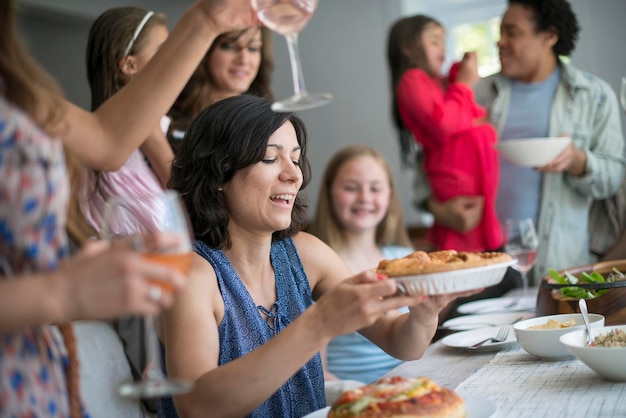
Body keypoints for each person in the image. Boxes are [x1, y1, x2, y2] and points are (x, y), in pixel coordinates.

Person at [0, 0, 260, 415]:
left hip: (41, 374)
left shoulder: (20, 91)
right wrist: (60, 292)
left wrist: (206, 20)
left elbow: (106, 140)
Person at [159, 95, 473, 417]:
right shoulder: (191, 275)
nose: (294, 176)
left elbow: (401, 342)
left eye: (295, 159)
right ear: (218, 174)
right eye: (270, 159)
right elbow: (196, 405)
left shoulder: (306, 254)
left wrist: (423, 312)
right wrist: (319, 324)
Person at [414, 0, 625, 282]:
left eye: (512, 32)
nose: (500, 42)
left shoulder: (594, 96)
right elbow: (426, 165)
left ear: (549, 36)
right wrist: (439, 209)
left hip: (560, 266)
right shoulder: (475, 93)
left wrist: (577, 161)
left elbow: (613, 177)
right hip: (481, 265)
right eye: (500, 32)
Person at [387, 14, 502, 254]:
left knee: (473, 244)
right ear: (408, 47)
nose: (443, 47)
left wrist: (457, 76)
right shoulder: (412, 80)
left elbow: (466, 113)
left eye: (444, 41)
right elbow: (444, 124)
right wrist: (464, 84)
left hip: (467, 175)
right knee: (461, 245)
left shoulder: (435, 83)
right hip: (453, 175)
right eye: (434, 41)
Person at [309, 145, 414, 386]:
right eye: (351, 187)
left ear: (389, 195)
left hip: (415, 388)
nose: (365, 197)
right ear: (329, 193)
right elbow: (319, 374)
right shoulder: (316, 269)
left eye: (375, 188)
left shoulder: (407, 259)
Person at [167, 26, 273, 153]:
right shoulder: (168, 113)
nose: (243, 60)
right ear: (205, 51)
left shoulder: (268, 123)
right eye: (228, 46)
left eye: (253, 48)